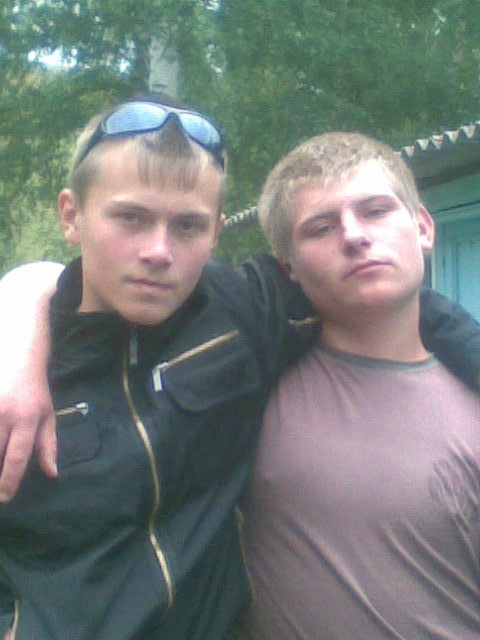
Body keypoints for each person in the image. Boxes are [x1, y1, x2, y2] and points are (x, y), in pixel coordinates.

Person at [0, 99, 479, 640]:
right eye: (130, 218)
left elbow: (383, 293)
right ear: (71, 216)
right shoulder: (17, 365)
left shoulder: (238, 314)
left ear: (216, 233)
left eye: (188, 225)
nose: (158, 251)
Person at [241, 132, 480, 639]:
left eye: (375, 211)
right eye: (321, 227)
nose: (353, 236)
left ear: (423, 228)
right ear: (288, 268)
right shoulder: (242, 395)